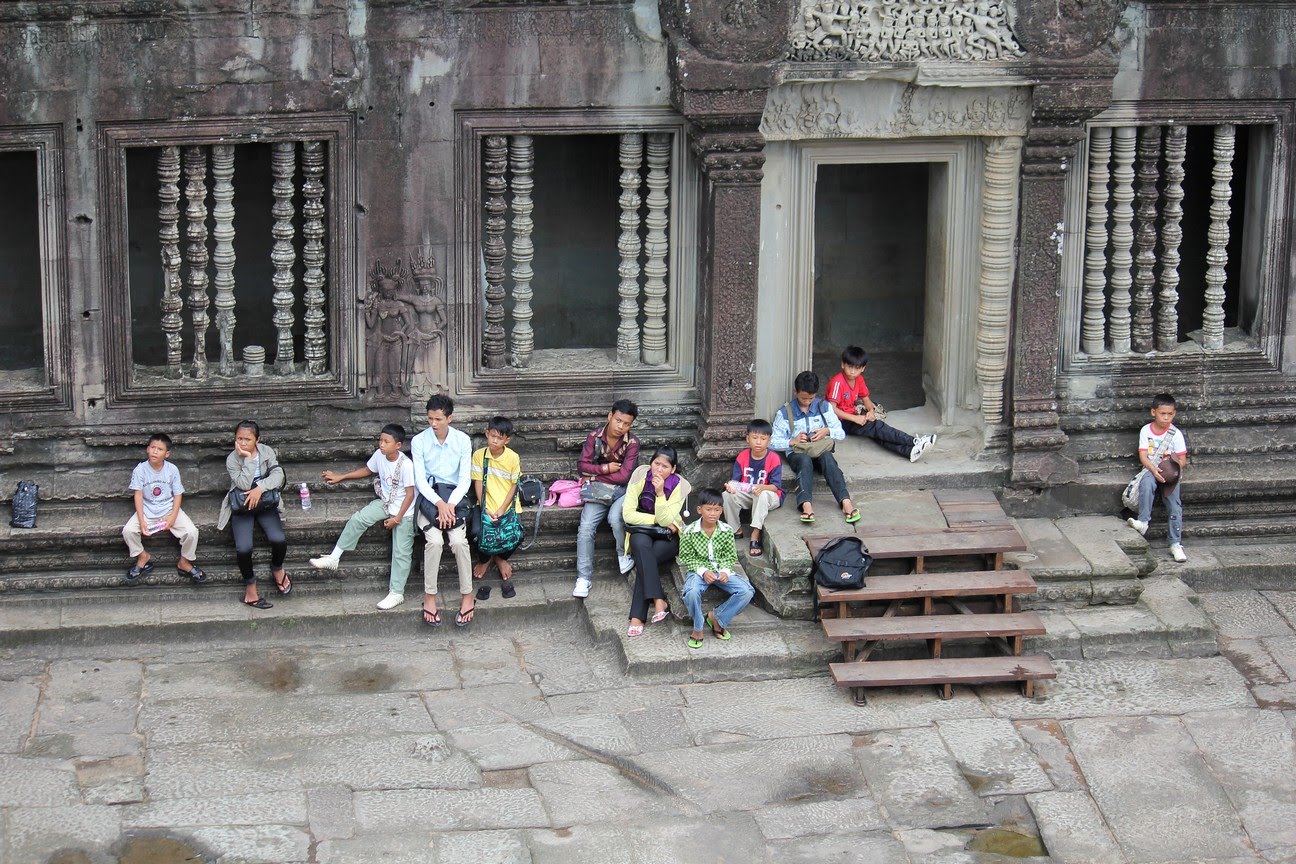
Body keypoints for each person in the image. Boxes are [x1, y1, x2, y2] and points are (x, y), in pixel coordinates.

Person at [308, 423, 416, 610]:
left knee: (401, 552)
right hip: (386, 502)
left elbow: (410, 494)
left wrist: (397, 519)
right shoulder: (379, 455)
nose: (381, 444)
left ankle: (396, 593)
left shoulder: (406, 465)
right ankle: (334, 557)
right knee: (358, 519)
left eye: (386, 442)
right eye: (380, 440)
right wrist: (342, 476)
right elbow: (368, 470)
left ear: (398, 445)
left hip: (404, 511)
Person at [412, 394, 475, 627]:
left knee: (458, 542)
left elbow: (464, 479)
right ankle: (429, 596)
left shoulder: (462, 440)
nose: (434, 424)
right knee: (435, 541)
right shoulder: (419, 441)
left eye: (438, 419)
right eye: (430, 418)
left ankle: (467, 595)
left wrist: (450, 504)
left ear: (450, 418)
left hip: (454, 500)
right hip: (429, 500)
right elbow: (420, 481)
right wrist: (439, 503)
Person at [770, 370, 860, 525]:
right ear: (795, 392)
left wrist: (827, 431)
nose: (807, 402)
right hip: (798, 453)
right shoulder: (784, 413)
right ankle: (806, 505)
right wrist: (792, 441)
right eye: (803, 398)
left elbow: (841, 434)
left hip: (819, 450)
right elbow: (772, 442)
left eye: (811, 398)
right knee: (804, 462)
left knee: (828, 458)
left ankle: (846, 502)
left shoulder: (824, 406)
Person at [572, 398, 641, 599]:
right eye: (618, 420)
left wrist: (594, 476)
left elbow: (624, 477)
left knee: (615, 518)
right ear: (610, 416)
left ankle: (623, 554)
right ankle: (583, 578)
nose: (621, 427)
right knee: (586, 526)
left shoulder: (632, 443)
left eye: (626, 424)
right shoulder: (594, 437)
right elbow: (582, 466)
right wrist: (605, 468)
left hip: (623, 490)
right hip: (600, 491)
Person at [218, 420, 289, 609]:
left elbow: (278, 475)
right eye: (239, 439)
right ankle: (250, 587)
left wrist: (260, 489)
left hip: (265, 502)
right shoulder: (233, 459)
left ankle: (277, 568)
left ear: (257, 440)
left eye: (247, 439)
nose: (242, 443)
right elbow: (242, 484)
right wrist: (248, 459)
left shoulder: (267, 452)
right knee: (243, 549)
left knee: (278, 540)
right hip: (243, 505)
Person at [621, 445, 692, 637]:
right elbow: (628, 514)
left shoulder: (680, 486)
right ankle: (658, 600)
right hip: (641, 530)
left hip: (668, 535)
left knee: (645, 558)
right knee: (643, 548)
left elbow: (666, 519)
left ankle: (638, 616)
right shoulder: (639, 475)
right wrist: (654, 520)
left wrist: (660, 493)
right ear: (650, 462)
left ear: (673, 469)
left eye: (665, 466)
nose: (659, 469)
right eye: (656, 464)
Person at [826, 345, 936, 463]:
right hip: (838, 421)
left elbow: (865, 398)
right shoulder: (837, 382)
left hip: (852, 416)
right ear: (843, 364)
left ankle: (909, 451)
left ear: (863, 368)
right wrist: (855, 418)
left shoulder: (859, 379)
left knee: (877, 433)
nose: (852, 371)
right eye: (849, 366)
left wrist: (871, 411)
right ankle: (913, 441)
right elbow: (831, 409)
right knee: (876, 427)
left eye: (857, 368)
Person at [122, 432, 205, 584]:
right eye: (153, 447)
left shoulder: (172, 470)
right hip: (147, 510)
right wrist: (142, 520)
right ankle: (143, 556)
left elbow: (178, 494)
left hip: (169, 509)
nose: (155, 452)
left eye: (160, 449)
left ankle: (184, 562)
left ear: (167, 454)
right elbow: (138, 495)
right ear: (147, 449)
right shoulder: (140, 470)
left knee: (192, 532)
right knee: (128, 531)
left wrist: (172, 517)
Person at [680, 488, 756, 649]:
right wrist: (703, 571)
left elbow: (730, 556)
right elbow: (686, 557)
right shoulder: (689, 531)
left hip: (720, 570)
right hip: (699, 571)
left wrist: (725, 571)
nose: (712, 514)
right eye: (708, 509)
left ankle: (717, 617)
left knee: (747, 591)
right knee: (691, 592)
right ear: (699, 510)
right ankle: (698, 626)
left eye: (717, 510)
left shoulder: (726, 531)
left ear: (722, 510)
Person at [1127, 392, 1188, 562]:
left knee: (1174, 505)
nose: (1166, 418)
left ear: (1174, 414)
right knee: (1147, 484)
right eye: (1163, 414)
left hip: (1170, 473)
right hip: (1151, 468)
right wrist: (1154, 470)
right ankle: (1143, 522)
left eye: (1170, 414)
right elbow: (1143, 456)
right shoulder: (1146, 430)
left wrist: (1171, 469)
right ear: (1153, 412)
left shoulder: (1176, 434)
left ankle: (1175, 543)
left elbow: (1182, 459)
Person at [471, 415, 523, 598]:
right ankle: (485, 560)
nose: (494, 441)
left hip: (508, 506)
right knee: (477, 533)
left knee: (516, 535)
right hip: (485, 505)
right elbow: (478, 482)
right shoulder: (480, 455)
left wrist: (502, 509)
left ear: (506, 440)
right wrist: (484, 507)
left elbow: (514, 485)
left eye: (499, 438)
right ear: (487, 434)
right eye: (492, 436)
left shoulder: (512, 457)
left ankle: (500, 559)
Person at [722, 419, 784, 558]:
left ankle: (755, 534)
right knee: (727, 495)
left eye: (763, 438)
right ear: (747, 439)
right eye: (755, 438)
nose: (758, 442)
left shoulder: (774, 458)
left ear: (769, 441)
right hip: (748, 493)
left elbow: (776, 487)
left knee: (761, 494)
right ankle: (736, 530)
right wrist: (731, 486)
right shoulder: (743, 456)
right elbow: (736, 481)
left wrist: (762, 487)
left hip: (770, 495)